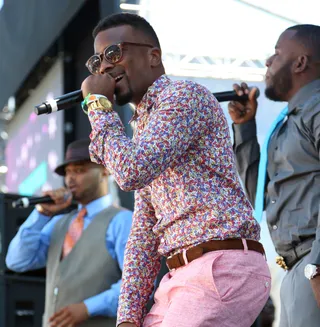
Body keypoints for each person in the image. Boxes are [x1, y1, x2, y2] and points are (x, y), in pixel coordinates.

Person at [81, 13, 271, 327]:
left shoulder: (183, 98)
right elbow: (143, 232)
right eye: (97, 61)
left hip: (220, 267)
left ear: (153, 55)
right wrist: (128, 318)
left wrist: (98, 105)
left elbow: (130, 172)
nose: (104, 67)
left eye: (114, 53)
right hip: (180, 278)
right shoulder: (144, 129)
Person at [228, 24, 320, 327]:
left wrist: (316, 267)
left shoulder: (316, 108)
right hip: (296, 269)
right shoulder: (287, 122)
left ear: (300, 63)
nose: (268, 62)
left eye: (277, 53)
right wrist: (244, 128)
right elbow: (260, 195)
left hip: (313, 263)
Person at [6, 139, 133, 327]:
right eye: (68, 172)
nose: (70, 179)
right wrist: (42, 213)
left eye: (80, 170)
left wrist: (88, 307)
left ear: (105, 170)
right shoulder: (59, 223)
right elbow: (17, 261)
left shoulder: (123, 221)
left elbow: (136, 284)